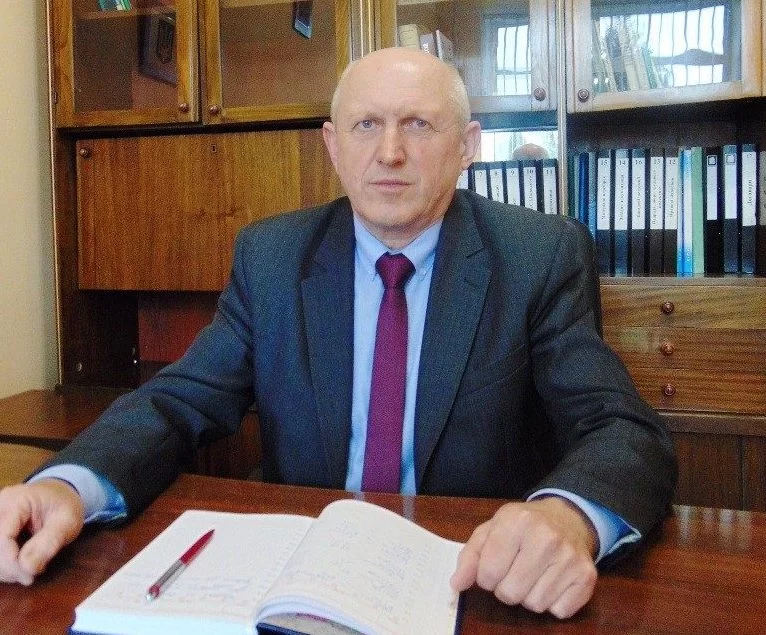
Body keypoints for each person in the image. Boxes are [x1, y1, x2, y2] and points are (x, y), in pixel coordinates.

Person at [0, 47, 676, 619]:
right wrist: (67, 487)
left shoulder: (538, 256)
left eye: (419, 124)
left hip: (470, 581)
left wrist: (567, 517)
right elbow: (177, 400)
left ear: (468, 146)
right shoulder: (273, 257)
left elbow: (623, 429)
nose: (390, 152)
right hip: (302, 581)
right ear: (332, 145)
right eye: (365, 125)